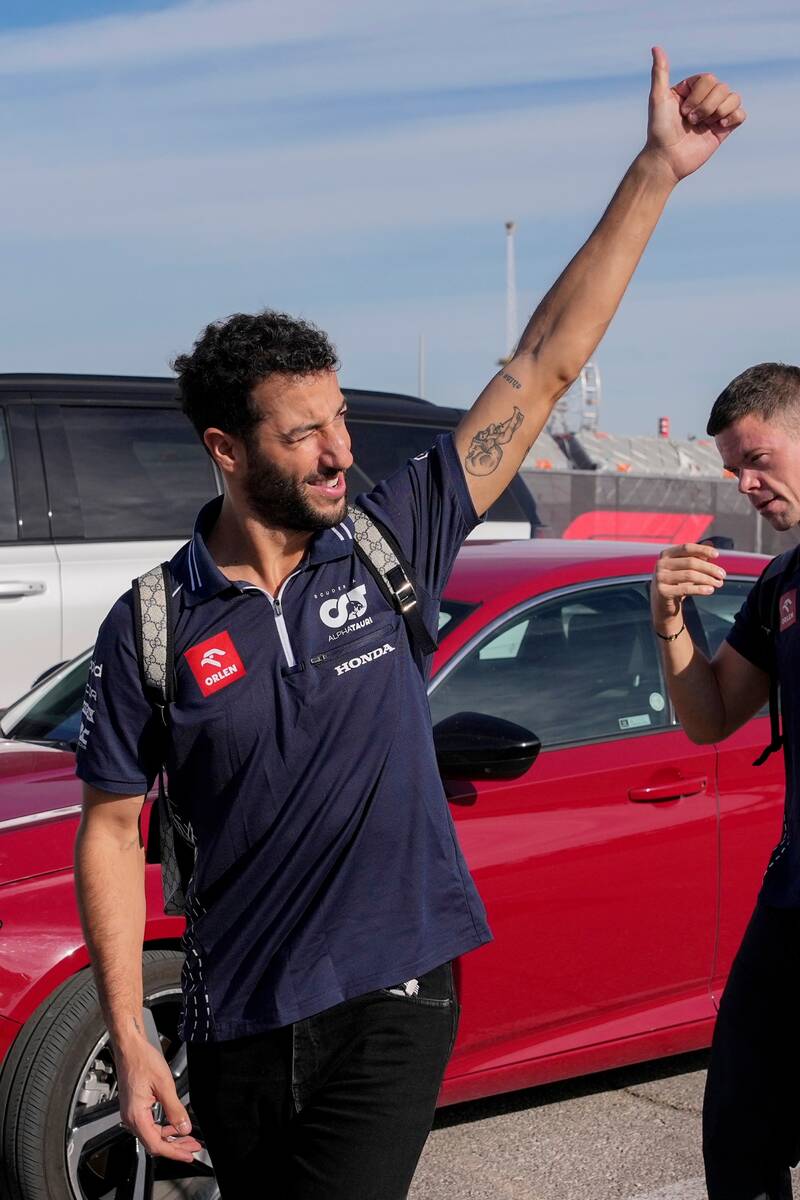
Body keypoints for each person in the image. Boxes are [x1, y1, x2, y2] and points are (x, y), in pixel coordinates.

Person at [74, 48, 745, 1199]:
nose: (339, 450)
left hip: (393, 993)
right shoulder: (150, 624)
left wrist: (655, 170)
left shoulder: (394, 536)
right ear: (226, 451)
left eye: (339, 418)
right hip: (238, 1020)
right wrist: (130, 1031)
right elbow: (107, 827)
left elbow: (542, 365)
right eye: (303, 433)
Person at [653, 363, 800, 1200]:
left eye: (758, 459)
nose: (744, 483)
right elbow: (709, 717)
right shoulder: (783, 583)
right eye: (733, 468)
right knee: (739, 1129)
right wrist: (668, 617)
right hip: (792, 901)